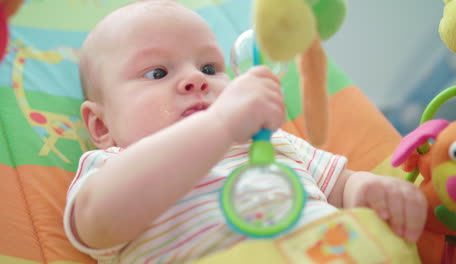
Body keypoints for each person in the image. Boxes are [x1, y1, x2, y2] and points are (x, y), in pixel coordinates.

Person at [64, 0, 428, 263]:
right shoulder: (111, 166)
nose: (194, 79)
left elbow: (342, 185)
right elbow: (99, 220)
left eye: (209, 67)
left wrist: (369, 189)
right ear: (101, 126)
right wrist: (218, 124)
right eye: (157, 73)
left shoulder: (272, 141)